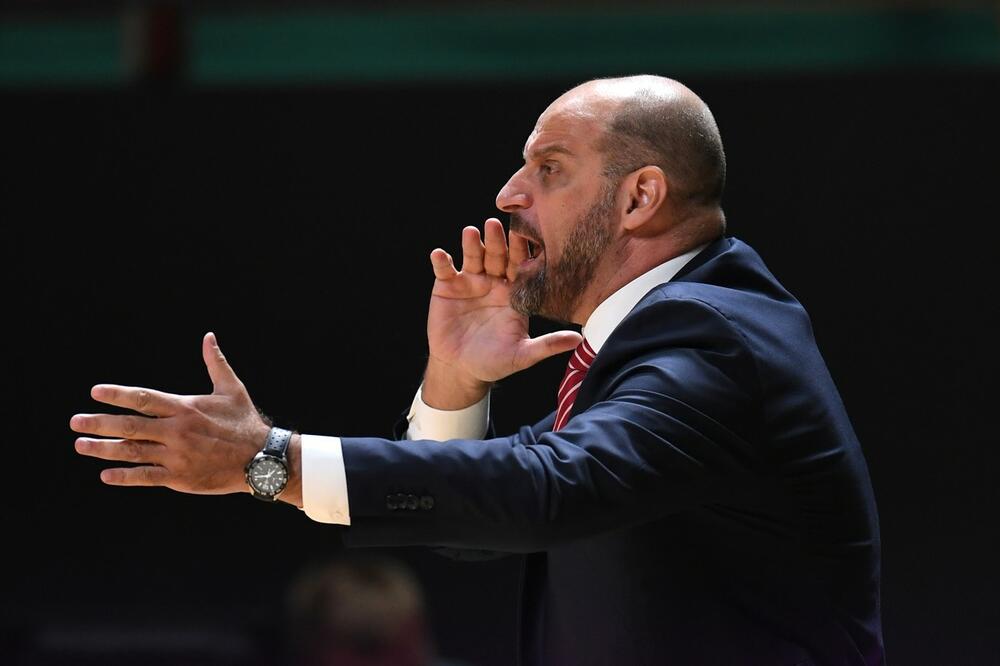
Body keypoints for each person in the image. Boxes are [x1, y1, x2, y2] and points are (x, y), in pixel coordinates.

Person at [72, 75, 884, 665]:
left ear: (640, 198)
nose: (508, 194)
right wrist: (455, 380)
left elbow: (549, 489)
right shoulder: (655, 339)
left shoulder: (711, 336)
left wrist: (268, 459)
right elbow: (478, 525)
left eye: (549, 169)